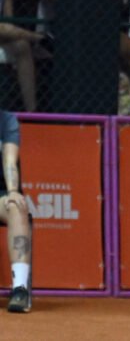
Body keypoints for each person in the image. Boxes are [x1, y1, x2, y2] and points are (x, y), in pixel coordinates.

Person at [0, 0, 44, 113]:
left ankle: (31, 112)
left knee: (22, 46)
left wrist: (10, 29)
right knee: (21, 36)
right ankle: (39, 38)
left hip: (2, 30)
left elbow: (8, 15)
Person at [0, 109, 32, 313]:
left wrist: (13, 191)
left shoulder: (6, 121)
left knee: (16, 207)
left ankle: (20, 289)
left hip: (0, 195)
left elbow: (10, 160)